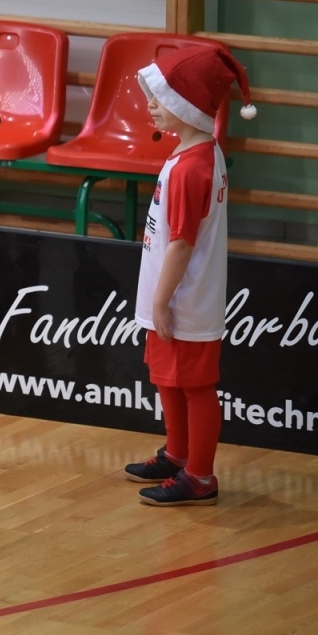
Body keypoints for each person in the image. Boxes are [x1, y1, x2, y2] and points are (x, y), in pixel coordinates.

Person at [126, 46, 251, 507]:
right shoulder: (197, 153)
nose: (150, 104)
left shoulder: (191, 169)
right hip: (173, 296)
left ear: (186, 107)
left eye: (159, 98)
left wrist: (160, 301)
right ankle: (177, 454)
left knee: (195, 388)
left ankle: (199, 476)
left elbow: (180, 244)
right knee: (167, 379)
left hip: (183, 300)